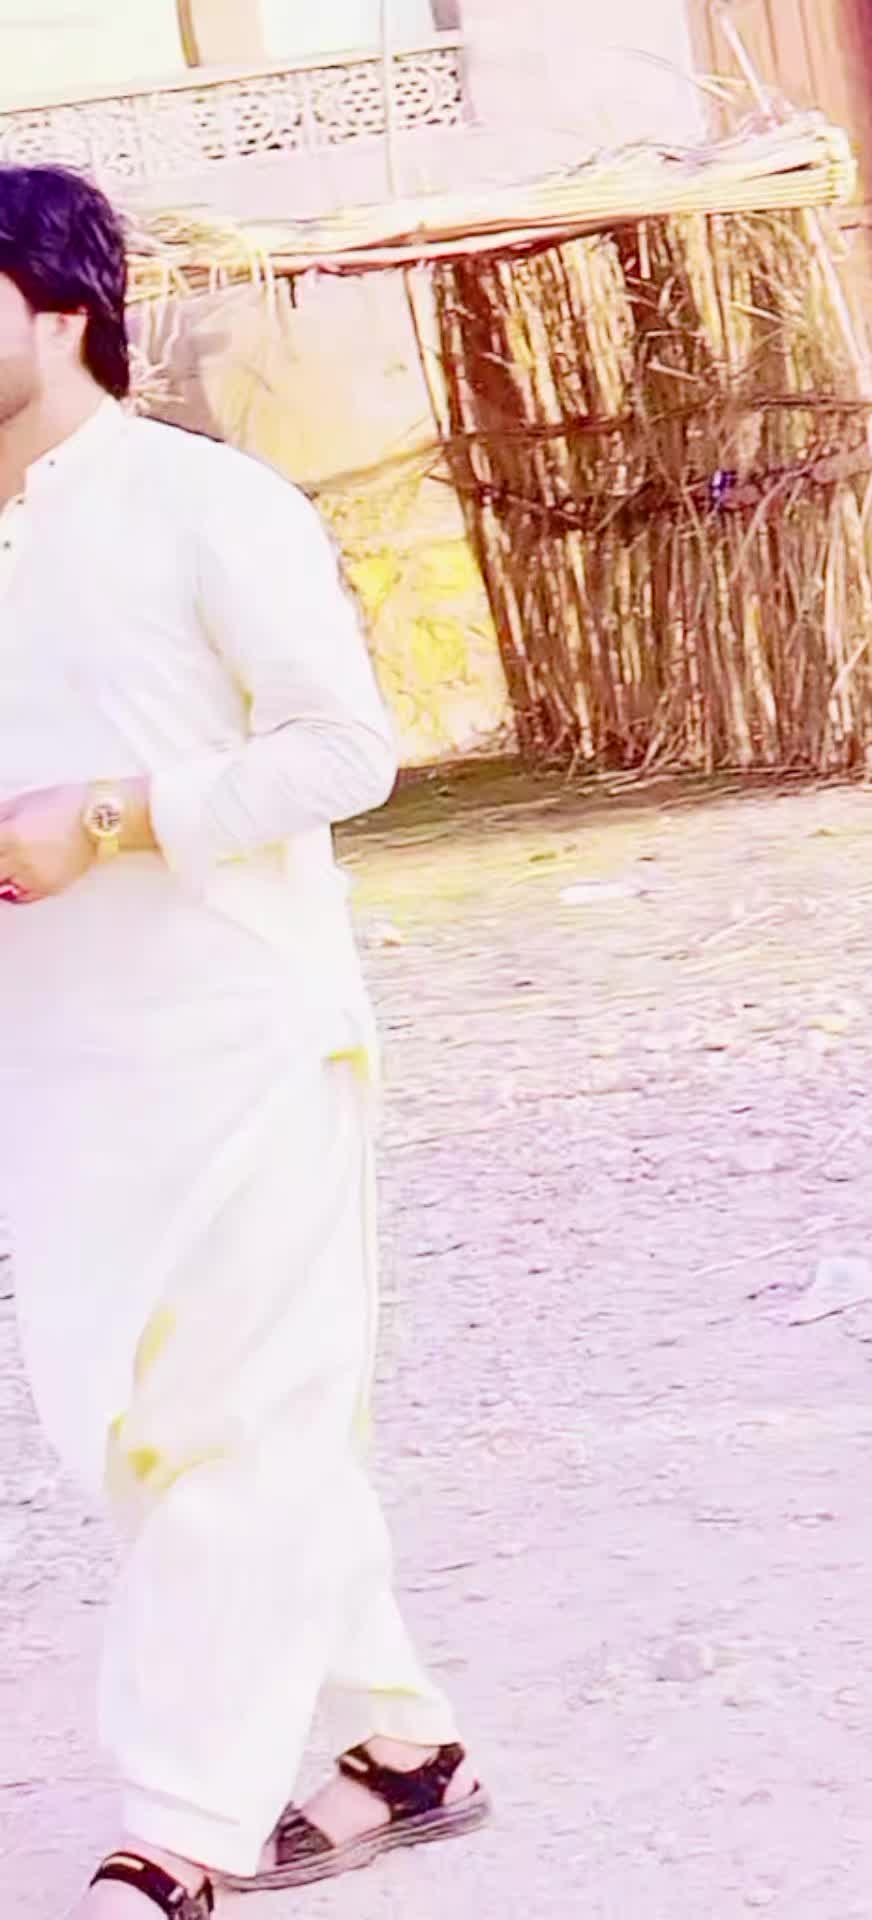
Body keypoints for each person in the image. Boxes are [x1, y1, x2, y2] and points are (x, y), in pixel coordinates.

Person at [0, 166, 489, 1920]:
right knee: (141, 1425)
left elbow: (345, 748)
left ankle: (181, 1829)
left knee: (235, 1423)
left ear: (62, 308)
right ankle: (402, 1746)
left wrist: (116, 815)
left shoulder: (207, 502)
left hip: (244, 1042)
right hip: (60, 1066)